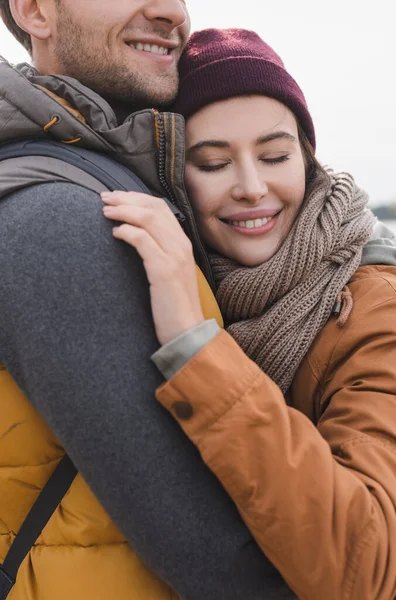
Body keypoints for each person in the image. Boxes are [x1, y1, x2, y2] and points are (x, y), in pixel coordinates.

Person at [0, 5, 300, 600]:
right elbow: (221, 559)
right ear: (34, 9)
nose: (171, 10)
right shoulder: (65, 217)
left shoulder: (111, 182)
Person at [102, 29, 396, 600]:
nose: (251, 186)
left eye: (275, 156)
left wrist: (196, 346)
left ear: (308, 159)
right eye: (213, 163)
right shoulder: (185, 276)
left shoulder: (376, 308)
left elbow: (370, 568)